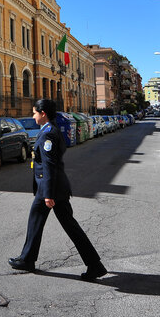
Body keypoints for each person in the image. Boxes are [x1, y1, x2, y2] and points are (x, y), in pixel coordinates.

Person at [8, 99, 107, 281]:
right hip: (51, 187)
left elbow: (49, 165)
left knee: (63, 225)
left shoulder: (48, 134)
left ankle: (94, 265)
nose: (33, 116)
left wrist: (48, 194)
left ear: (43, 113)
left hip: (51, 188)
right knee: (44, 222)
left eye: (34, 113)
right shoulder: (50, 130)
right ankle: (28, 259)